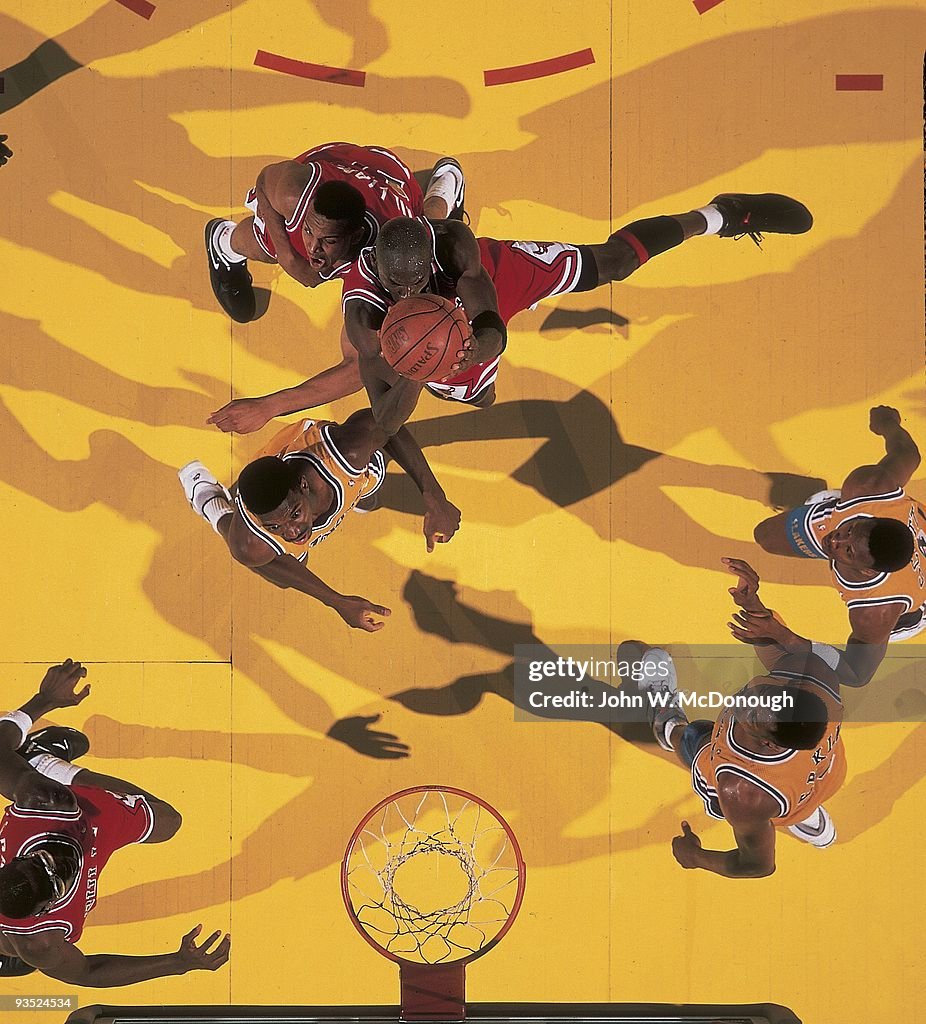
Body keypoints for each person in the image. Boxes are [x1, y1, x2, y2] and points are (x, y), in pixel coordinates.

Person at [214, 191, 813, 435]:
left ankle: (720, 215)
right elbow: (365, 370)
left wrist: (489, 337)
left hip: (498, 283)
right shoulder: (363, 295)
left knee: (611, 263)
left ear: (429, 262)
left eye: (414, 283)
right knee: (468, 399)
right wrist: (269, 406)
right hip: (439, 340)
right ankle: (355, 463)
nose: (405, 292)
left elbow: (481, 296)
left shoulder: (457, 248)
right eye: (395, 287)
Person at [0, 660, 231, 985]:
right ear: (47, 907)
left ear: (19, 858)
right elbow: (86, 971)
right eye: (62, 876)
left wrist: (44, 701)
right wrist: (179, 963)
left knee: (167, 820)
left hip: (83, 818)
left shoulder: (45, 803)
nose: (63, 861)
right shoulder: (39, 941)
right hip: (28, 932)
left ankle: (43, 763)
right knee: (27, 951)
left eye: (44, 860)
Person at [180, 376, 460, 632]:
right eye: (276, 526)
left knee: (370, 480)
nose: (292, 532)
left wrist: (435, 497)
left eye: (295, 514)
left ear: (302, 486)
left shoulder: (345, 455)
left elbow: (385, 423)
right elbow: (273, 552)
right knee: (271, 565)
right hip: (271, 496)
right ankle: (210, 502)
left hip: (339, 469)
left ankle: (359, 495)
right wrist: (336, 601)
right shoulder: (253, 539)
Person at [630, 557, 845, 879]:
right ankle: (803, 815)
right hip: (826, 777)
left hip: (761, 789)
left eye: (755, 715)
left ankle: (666, 721)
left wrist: (696, 856)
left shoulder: (740, 790)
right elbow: (778, 645)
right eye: (765, 696)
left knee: (696, 737)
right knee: (792, 796)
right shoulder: (818, 678)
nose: (746, 701)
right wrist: (753, 602)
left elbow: (758, 865)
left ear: (769, 744)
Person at [751, 405, 923, 686]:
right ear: (870, 518)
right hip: (906, 536)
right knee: (766, 537)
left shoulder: (875, 612)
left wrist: (787, 638)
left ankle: (841, 521)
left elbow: (857, 674)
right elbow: (908, 454)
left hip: (911, 602)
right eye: (850, 528)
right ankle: (839, 514)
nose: (835, 539)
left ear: (867, 572)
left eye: (848, 550)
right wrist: (889, 424)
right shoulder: (871, 487)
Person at [204, 143, 464, 326]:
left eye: (328, 241)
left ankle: (447, 183)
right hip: (337, 163)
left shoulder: (394, 243)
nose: (313, 249)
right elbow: (264, 180)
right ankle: (222, 243)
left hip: (386, 175)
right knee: (269, 242)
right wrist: (288, 258)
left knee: (429, 231)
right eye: (309, 231)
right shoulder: (294, 195)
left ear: (356, 236)